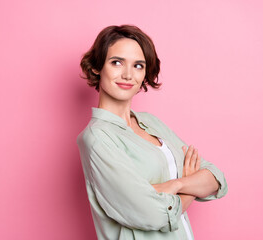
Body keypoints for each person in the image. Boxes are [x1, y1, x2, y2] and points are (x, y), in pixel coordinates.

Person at [77, 25, 228, 240]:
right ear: (97, 67)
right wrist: (192, 187)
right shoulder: (97, 139)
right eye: (116, 62)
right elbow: (152, 214)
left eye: (138, 66)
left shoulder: (151, 122)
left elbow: (215, 178)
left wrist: (176, 184)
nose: (128, 75)